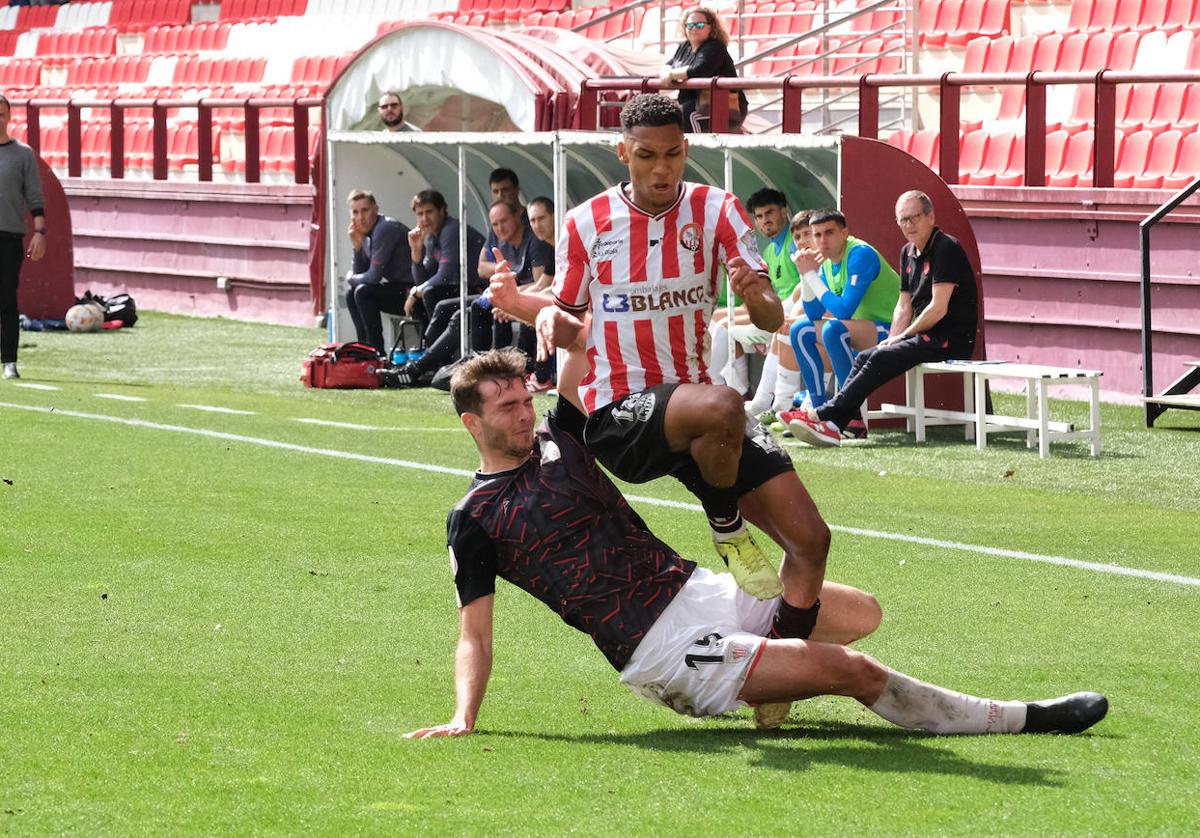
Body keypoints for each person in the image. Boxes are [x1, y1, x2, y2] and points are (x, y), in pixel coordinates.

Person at [404, 348, 1108, 739]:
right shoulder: (475, 515)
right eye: (507, 408)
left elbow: (578, 351)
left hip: (698, 591)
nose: (525, 414)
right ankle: (1021, 719)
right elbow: (476, 634)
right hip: (658, 648)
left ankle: (772, 674)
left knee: (862, 610)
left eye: (526, 400)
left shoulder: (565, 433)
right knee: (855, 668)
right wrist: (464, 716)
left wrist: (544, 314)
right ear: (472, 423)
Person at [489, 96, 829, 685]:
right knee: (725, 401)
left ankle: (778, 680)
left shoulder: (718, 209)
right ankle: (725, 524)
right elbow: (572, 322)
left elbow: (774, 320)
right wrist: (542, 318)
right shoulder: (585, 222)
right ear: (623, 153)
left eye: (672, 154)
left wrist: (754, 294)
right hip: (623, 410)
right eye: (646, 155)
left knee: (812, 543)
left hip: (702, 418)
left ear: (686, 151)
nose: (661, 168)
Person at [784, 191, 979, 448]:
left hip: (949, 338)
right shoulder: (908, 251)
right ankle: (834, 424)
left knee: (869, 351)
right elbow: (903, 304)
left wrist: (899, 336)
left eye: (914, 218)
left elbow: (937, 308)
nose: (908, 225)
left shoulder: (946, 247)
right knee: (868, 355)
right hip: (920, 334)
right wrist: (892, 339)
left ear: (931, 217)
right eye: (902, 220)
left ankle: (821, 414)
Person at [786, 208, 900, 441]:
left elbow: (843, 310)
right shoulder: (827, 261)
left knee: (833, 329)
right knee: (800, 330)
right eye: (816, 235)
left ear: (845, 233)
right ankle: (817, 413)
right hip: (864, 328)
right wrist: (805, 275)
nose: (822, 241)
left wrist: (810, 276)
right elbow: (814, 311)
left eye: (829, 233)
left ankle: (852, 418)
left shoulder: (859, 253)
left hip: (895, 330)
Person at [0, 94, 45, 381]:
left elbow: (34, 195)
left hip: (9, 236)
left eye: (2, 114)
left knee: (6, 299)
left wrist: (40, 232)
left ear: (9, 116)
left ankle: (9, 362)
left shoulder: (23, 154)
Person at [404, 189, 485, 337]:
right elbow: (424, 279)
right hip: (460, 289)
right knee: (422, 294)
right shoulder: (431, 237)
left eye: (429, 212)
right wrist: (416, 253)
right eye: (420, 214)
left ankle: (434, 350)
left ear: (442, 210)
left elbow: (445, 275)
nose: (424, 219)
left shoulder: (451, 230)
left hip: (479, 290)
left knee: (427, 293)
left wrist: (415, 293)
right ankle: (427, 347)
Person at [344, 189, 412, 356]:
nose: (361, 217)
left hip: (413, 292)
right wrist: (357, 246)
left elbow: (373, 277)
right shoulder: (367, 235)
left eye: (365, 210)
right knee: (351, 293)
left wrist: (351, 278)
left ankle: (376, 354)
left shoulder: (384, 228)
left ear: (375, 209)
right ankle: (364, 350)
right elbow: (362, 274)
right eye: (355, 212)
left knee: (363, 292)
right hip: (399, 289)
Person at [661, 6, 746, 133]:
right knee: (667, 114)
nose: (694, 28)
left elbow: (699, 70)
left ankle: (694, 152)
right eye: (690, 25)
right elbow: (669, 64)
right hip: (694, 104)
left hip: (724, 106)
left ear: (711, 27)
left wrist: (672, 75)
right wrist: (665, 73)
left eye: (700, 25)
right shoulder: (685, 47)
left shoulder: (715, 46)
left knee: (685, 114)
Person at [476, 168, 526, 281]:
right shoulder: (497, 223)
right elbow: (481, 268)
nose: (500, 195)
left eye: (505, 190)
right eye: (495, 191)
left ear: (516, 190)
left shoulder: (532, 220)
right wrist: (510, 269)